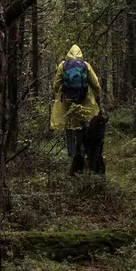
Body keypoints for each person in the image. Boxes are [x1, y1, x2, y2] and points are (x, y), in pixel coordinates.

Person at [50, 44, 105, 175]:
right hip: (84, 100)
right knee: (82, 127)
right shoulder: (86, 65)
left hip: (68, 101)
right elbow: (96, 84)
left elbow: (56, 85)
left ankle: (71, 154)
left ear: (68, 54)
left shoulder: (62, 65)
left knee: (70, 126)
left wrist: (59, 94)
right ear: (81, 54)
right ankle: (83, 153)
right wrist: (95, 94)